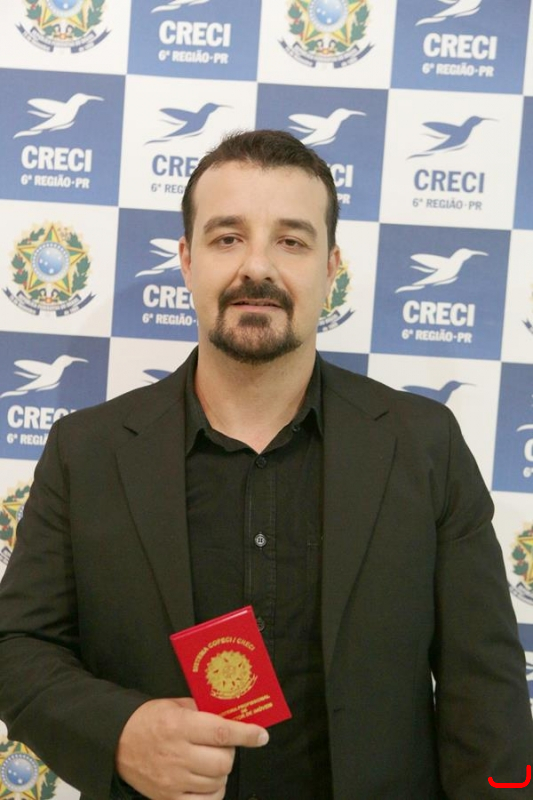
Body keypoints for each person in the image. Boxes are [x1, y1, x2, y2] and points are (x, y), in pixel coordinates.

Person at [0, 129, 531, 800]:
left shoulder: (424, 444)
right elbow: (17, 647)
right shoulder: (87, 452)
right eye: (227, 238)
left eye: (291, 241)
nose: (257, 267)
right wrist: (122, 732)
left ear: (330, 268)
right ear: (186, 260)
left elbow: (484, 690)